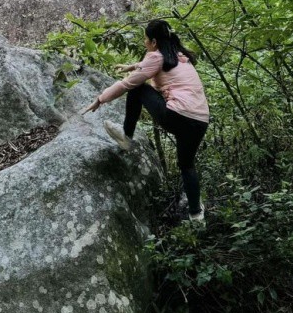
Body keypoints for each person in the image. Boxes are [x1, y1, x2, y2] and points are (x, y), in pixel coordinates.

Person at [83, 19, 210, 222]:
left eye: (145, 39)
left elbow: (127, 84)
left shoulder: (157, 56)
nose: (144, 42)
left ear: (153, 41)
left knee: (137, 88)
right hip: (200, 120)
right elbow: (153, 65)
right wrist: (132, 65)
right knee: (187, 165)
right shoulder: (180, 55)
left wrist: (100, 99)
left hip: (176, 116)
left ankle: (126, 136)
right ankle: (196, 214)